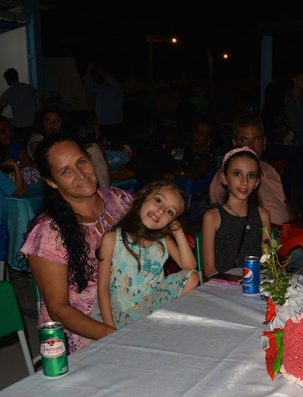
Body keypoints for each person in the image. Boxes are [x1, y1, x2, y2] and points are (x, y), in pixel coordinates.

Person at [21, 134, 132, 353]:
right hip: (85, 334)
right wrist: (118, 337)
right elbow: (59, 309)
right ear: (51, 181)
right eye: (66, 171)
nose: (81, 175)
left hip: (130, 311)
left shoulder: (120, 201)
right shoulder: (49, 233)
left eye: (81, 162)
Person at [97, 181, 199, 329]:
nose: (161, 210)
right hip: (120, 312)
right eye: (158, 200)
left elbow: (190, 266)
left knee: (193, 277)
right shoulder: (112, 239)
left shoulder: (163, 241)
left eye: (170, 212)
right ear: (143, 197)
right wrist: (109, 327)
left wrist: (177, 230)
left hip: (151, 308)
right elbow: (102, 287)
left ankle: (159, 326)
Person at [209, 114, 294, 227]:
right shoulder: (228, 176)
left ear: (264, 142)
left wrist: (294, 228)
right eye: (243, 140)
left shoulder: (269, 169)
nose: (250, 146)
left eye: (256, 140)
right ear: (235, 143)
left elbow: (284, 202)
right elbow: (231, 221)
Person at [202, 147, 271, 276]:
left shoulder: (263, 215)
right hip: (222, 284)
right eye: (237, 174)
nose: (245, 182)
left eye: (251, 176)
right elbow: (210, 271)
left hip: (255, 283)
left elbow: (267, 262)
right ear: (224, 178)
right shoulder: (213, 217)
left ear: (257, 182)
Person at [283, 70, 303, 212]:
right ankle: (287, 206)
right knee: (288, 177)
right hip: (289, 144)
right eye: (302, 79)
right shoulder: (286, 98)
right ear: (294, 80)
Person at [83, 62, 124, 143]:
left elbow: (94, 88)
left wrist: (88, 72)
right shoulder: (105, 84)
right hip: (108, 122)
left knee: (113, 143)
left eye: (99, 70)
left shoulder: (111, 83)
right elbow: (92, 86)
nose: (97, 73)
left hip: (111, 122)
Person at [0, 67, 39, 143]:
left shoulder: (8, 93)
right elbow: (43, 98)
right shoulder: (29, 88)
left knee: (18, 144)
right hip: (32, 122)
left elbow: (0, 107)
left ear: (8, 79)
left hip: (18, 125)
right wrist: (41, 114)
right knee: (32, 142)